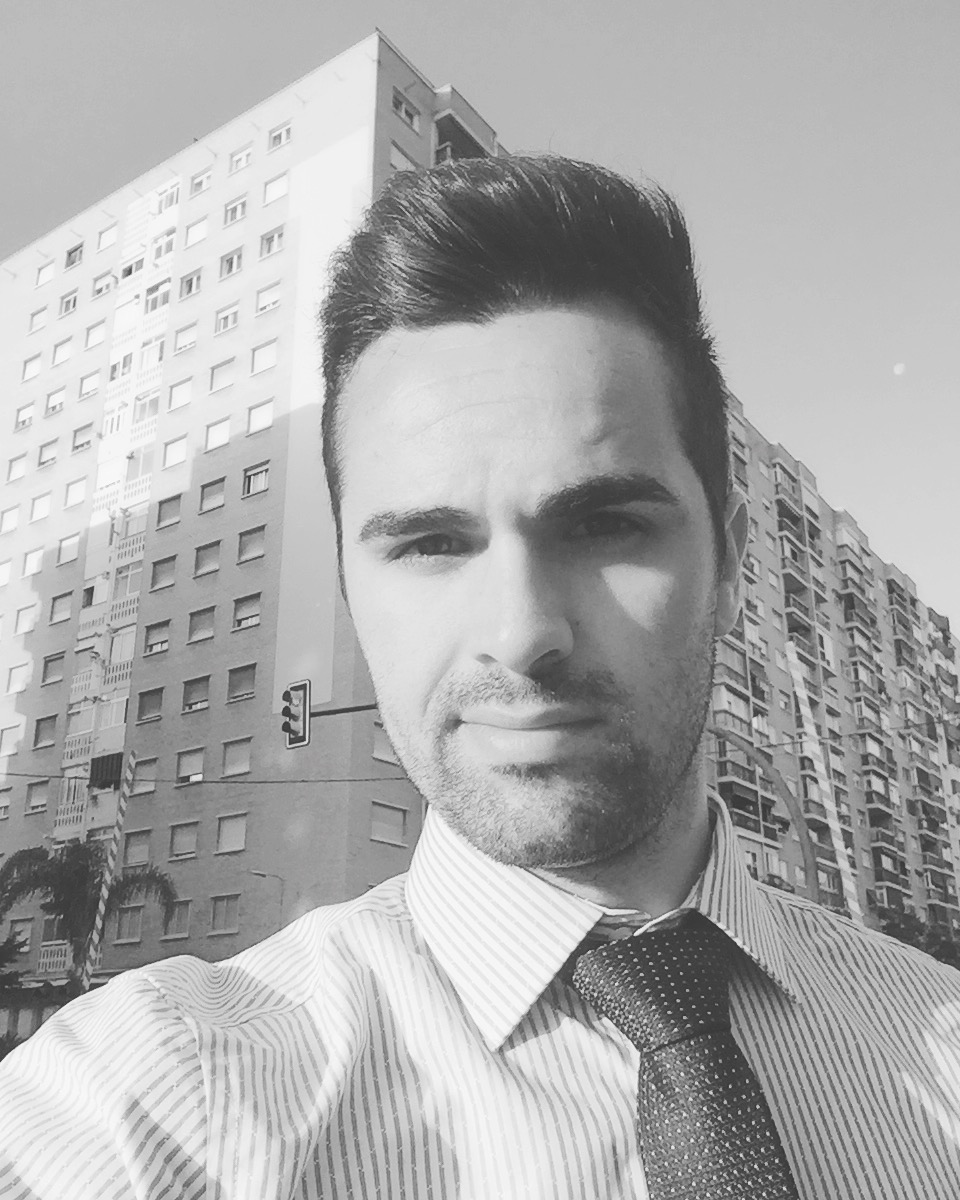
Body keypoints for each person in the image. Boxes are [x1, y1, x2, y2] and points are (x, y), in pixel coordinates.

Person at [1, 155, 959, 1199]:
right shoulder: (164, 1096)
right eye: (428, 544)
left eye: (605, 525)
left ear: (727, 565)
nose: (522, 632)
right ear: (352, 590)